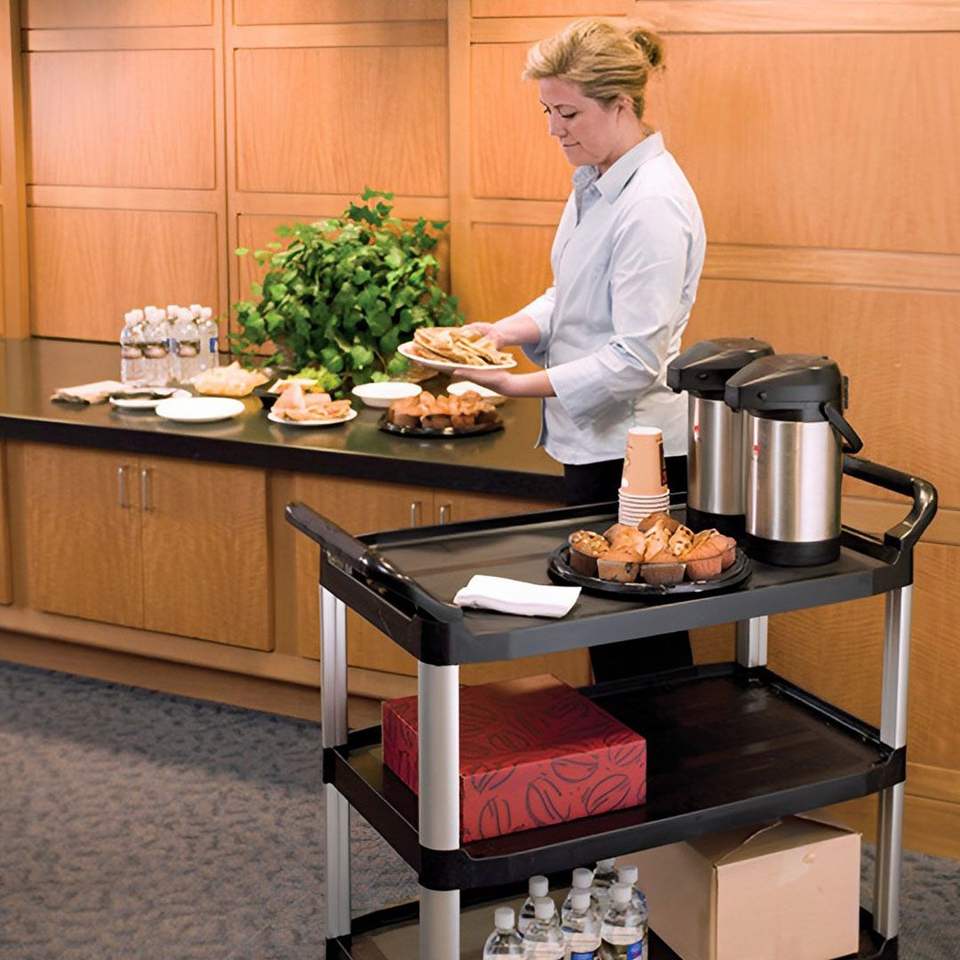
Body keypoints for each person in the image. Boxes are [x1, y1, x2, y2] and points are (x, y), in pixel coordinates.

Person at [454, 18, 706, 680]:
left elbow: (635, 358)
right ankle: (622, 747)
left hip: (634, 452)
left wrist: (517, 386)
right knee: (611, 627)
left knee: (638, 639)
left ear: (621, 105)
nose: (554, 129)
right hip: (594, 442)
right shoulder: (597, 180)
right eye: (547, 111)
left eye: (568, 113)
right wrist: (507, 331)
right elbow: (573, 295)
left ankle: (654, 749)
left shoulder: (652, 204)